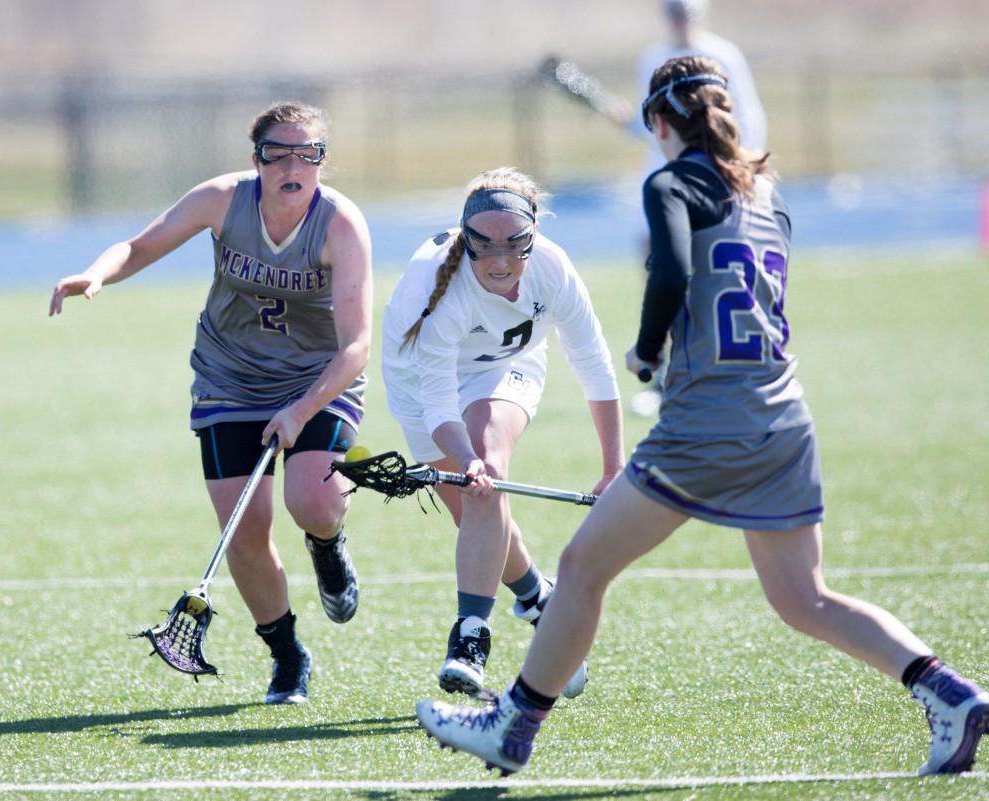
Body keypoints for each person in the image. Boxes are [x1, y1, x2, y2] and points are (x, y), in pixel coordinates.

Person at [415, 57, 988, 777]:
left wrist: (649, 350)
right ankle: (949, 690)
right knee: (805, 598)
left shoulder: (670, 181)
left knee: (581, 566)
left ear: (659, 122)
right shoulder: (767, 192)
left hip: (706, 422)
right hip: (783, 415)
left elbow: (674, 269)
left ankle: (513, 726)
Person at [49, 101, 373, 706]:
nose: (293, 165)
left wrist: (301, 410)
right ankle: (287, 656)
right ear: (257, 160)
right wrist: (95, 274)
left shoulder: (340, 224)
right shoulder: (222, 200)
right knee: (245, 532)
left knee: (316, 503)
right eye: (279, 152)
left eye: (309, 153)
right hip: (230, 378)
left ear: (321, 163)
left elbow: (356, 345)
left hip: (317, 379)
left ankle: (327, 545)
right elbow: (139, 247)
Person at [382, 167, 624, 699]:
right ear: (465, 239)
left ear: (532, 238)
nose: (498, 261)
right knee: (478, 507)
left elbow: (594, 365)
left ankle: (470, 637)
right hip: (420, 384)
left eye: (514, 245)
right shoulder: (438, 291)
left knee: (489, 465)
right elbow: (440, 403)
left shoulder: (553, 270)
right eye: (483, 246)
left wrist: (613, 469)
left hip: (506, 368)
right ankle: (542, 601)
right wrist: (462, 459)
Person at [627, 0, 768, 419]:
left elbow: (748, 116)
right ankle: (684, 368)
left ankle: (677, 370)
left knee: (680, 269)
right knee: (659, 259)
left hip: (723, 171)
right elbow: (650, 128)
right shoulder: (651, 58)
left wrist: (644, 349)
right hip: (775, 400)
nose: (680, 18)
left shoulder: (724, 54)